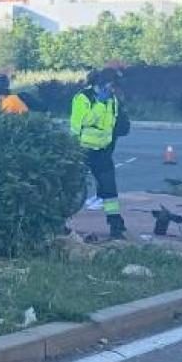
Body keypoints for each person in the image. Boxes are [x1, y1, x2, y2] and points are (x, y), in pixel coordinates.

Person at [71, 68, 128, 239]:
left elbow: (112, 124)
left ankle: (116, 226)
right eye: (112, 85)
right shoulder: (83, 98)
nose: (114, 89)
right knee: (72, 188)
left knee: (109, 189)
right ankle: (61, 223)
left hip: (103, 152)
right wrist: (100, 104)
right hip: (82, 150)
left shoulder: (112, 100)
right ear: (101, 84)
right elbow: (84, 121)